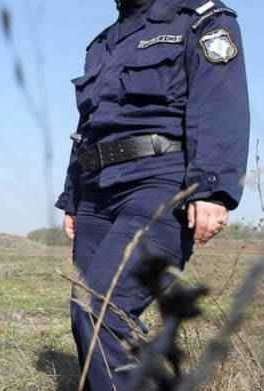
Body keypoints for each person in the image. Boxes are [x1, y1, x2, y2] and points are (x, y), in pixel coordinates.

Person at [56, 0, 249, 389]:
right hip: (96, 192)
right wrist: (73, 197)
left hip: (159, 182)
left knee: (102, 311)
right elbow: (90, 124)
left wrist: (212, 189)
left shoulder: (203, 21)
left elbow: (220, 106)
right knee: (86, 313)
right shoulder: (104, 43)